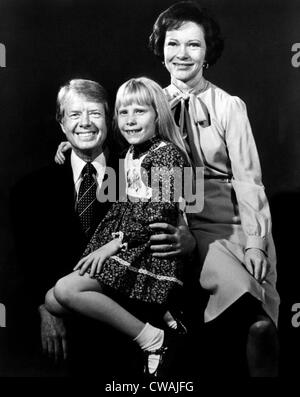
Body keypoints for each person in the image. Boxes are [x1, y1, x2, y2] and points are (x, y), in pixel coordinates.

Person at [11, 78, 195, 376]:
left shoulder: (131, 162)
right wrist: (45, 311)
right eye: (74, 115)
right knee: (51, 298)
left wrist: (190, 239)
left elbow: (182, 209)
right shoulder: (30, 189)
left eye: (94, 114)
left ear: (107, 121)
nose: (85, 123)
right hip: (70, 338)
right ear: (61, 123)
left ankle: (158, 330)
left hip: (134, 321)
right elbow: (26, 264)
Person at [148, 1, 280, 376]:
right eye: (173, 44)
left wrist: (255, 241)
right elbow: (135, 166)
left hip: (234, 219)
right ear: (162, 50)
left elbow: (249, 180)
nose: (182, 54)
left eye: (194, 45)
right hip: (181, 218)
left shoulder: (229, 107)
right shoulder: (149, 104)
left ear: (208, 52)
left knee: (260, 324)